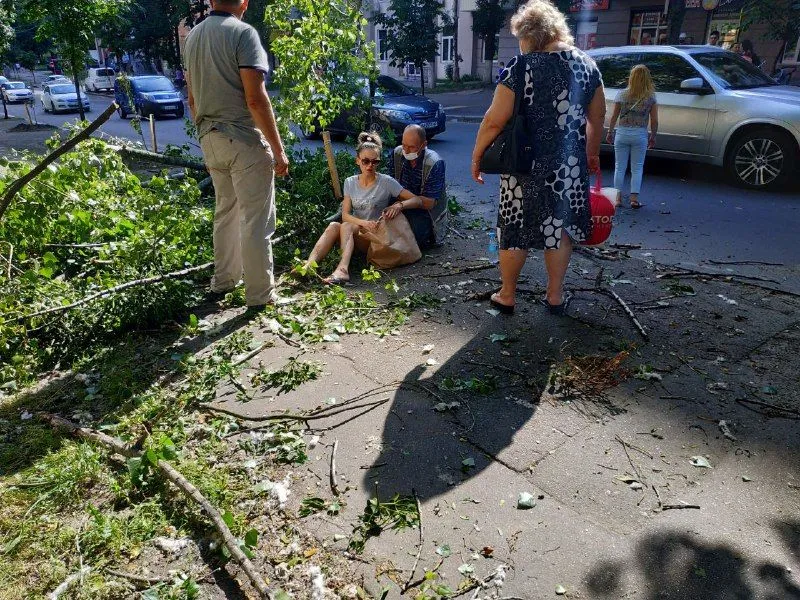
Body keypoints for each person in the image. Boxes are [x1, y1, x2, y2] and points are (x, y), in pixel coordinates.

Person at [470, 0, 605, 316]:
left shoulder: (521, 67)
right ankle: (555, 296)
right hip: (568, 167)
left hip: (523, 166)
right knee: (558, 229)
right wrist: (593, 154)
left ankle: (507, 295)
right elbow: (597, 117)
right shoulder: (587, 65)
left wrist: (477, 156)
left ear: (530, 34)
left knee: (514, 228)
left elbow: (494, 120)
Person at [184, 0, 289, 311]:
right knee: (256, 221)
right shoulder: (244, 34)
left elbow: (191, 99)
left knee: (225, 212)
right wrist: (278, 150)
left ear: (213, 1)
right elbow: (255, 99)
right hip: (243, 139)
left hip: (210, 138)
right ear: (244, 2)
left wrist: (205, 138)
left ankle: (224, 281)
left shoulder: (193, 38)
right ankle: (260, 296)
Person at [306, 132, 426, 284]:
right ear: (358, 161)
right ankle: (309, 265)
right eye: (366, 161)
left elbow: (417, 200)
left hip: (376, 237)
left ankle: (342, 270)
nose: (370, 165)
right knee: (334, 225)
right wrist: (363, 223)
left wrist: (399, 205)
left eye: (374, 162)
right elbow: (345, 215)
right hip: (356, 233)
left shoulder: (386, 182)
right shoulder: (350, 182)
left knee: (347, 226)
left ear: (378, 162)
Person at [606, 64, 658, 209]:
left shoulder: (622, 94)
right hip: (640, 134)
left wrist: (610, 132)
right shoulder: (650, 97)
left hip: (622, 133)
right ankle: (634, 199)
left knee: (619, 167)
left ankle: (617, 199)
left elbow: (614, 116)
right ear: (647, 79)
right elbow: (654, 120)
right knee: (637, 167)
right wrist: (653, 135)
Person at [391, 124, 447, 249]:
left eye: (411, 147)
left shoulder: (435, 163)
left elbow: (429, 203)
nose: (406, 151)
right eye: (404, 145)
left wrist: (403, 203)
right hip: (402, 201)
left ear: (424, 144)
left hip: (426, 212)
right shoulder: (397, 153)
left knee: (414, 240)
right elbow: (390, 185)